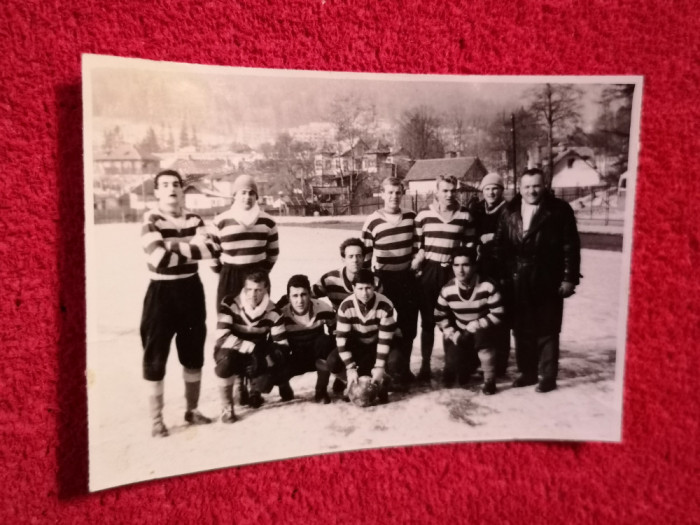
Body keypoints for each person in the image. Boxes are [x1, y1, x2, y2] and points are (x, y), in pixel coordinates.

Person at [139, 169, 219, 437]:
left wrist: (172, 244)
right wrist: (191, 248)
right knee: (155, 357)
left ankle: (192, 410)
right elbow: (158, 258)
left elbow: (212, 250)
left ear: (183, 189)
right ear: (157, 192)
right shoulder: (150, 218)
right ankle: (155, 419)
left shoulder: (195, 219)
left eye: (176, 184)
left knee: (193, 354)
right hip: (161, 293)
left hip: (191, 291)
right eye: (165, 185)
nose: (172, 189)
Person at [494, 168, 581, 393]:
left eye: (536, 186)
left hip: (547, 279)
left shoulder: (559, 210)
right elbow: (500, 247)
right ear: (520, 188)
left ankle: (548, 376)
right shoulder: (509, 211)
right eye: (527, 186)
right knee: (521, 329)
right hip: (517, 280)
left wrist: (569, 278)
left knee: (547, 329)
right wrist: (503, 277)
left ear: (544, 186)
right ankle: (528, 372)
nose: (532, 191)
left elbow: (570, 246)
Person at [413, 175, 476, 381]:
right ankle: (425, 365)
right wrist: (420, 266)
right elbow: (417, 246)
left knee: (453, 319)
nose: (449, 194)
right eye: (445, 190)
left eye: (453, 190)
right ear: (437, 192)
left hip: (453, 271)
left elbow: (469, 247)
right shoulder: (423, 215)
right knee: (429, 322)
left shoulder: (465, 215)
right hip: (430, 272)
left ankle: (454, 363)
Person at [361, 177, 419, 388]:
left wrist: (416, 264)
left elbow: (417, 245)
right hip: (384, 280)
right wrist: (371, 282)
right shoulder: (372, 221)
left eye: (397, 192)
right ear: (382, 194)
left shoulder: (411, 217)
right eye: (390, 192)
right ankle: (385, 368)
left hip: (407, 278)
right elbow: (365, 258)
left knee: (408, 326)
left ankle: (404, 368)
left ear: (402, 194)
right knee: (385, 324)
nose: (394, 196)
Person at [213, 271, 291, 423]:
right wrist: (250, 348)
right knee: (225, 362)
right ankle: (227, 405)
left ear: (266, 289)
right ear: (244, 288)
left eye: (258, 290)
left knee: (265, 384)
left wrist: (265, 360)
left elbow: (283, 347)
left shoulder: (273, 311)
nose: (253, 295)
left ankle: (254, 387)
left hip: (257, 355)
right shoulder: (230, 303)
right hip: (233, 351)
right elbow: (222, 337)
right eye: (249, 289)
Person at [434, 247, 505, 395]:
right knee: (457, 370)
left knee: (482, 337)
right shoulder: (447, 290)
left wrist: (476, 325)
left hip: (483, 330)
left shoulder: (487, 286)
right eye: (456, 265)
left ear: (474, 266)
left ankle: (489, 380)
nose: (460, 270)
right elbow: (440, 316)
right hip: (461, 333)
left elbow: (498, 313)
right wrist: (453, 334)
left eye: (465, 265)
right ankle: (465, 365)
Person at [326, 269, 401, 404]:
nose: (364, 293)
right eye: (360, 288)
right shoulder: (346, 306)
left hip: (377, 343)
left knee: (395, 362)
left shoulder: (385, 305)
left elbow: (384, 340)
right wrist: (350, 368)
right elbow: (342, 340)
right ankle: (352, 382)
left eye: (368, 288)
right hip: (357, 344)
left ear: (374, 286)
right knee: (332, 361)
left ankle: (383, 381)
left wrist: (379, 367)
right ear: (353, 288)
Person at [210, 174, 279, 306]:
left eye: (251, 193)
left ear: (256, 197)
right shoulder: (220, 221)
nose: (247, 197)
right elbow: (212, 254)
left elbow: (273, 253)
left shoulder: (268, 222)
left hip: (257, 276)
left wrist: (262, 272)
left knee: (258, 319)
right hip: (230, 276)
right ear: (235, 195)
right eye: (243, 193)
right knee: (227, 317)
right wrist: (223, 274)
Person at [469, 172, 511, 376]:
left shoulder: (509, 211)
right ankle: (483, 360)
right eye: (487, 188)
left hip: (502, 270)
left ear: (501, 190)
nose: (491, 192)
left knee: (500, 316)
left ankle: (501, 363)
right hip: (482, 270)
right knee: (482, 314)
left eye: (495, 188)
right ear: (482, 191)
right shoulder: (478, 210)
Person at [278, 275, 337, 404]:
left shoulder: (323, 308)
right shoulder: (281, 314)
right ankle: (284, 386)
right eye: (295, 296)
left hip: (316, 355)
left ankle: (321, 390)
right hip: (295, 356)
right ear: (288, 298)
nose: (300, 300)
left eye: (303, 294)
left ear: (310, 294)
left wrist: (336, 363)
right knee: (276, 355)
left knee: (326, 342)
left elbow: (336, 333)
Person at [312, 238, 382, 311]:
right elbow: (308, 295)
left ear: (363, 258)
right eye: (350, 256)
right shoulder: (329, 279)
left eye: (358, 256)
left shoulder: (375, 281)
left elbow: (381, 307)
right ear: (343, 259)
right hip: (340, 320)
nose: (355, 260)